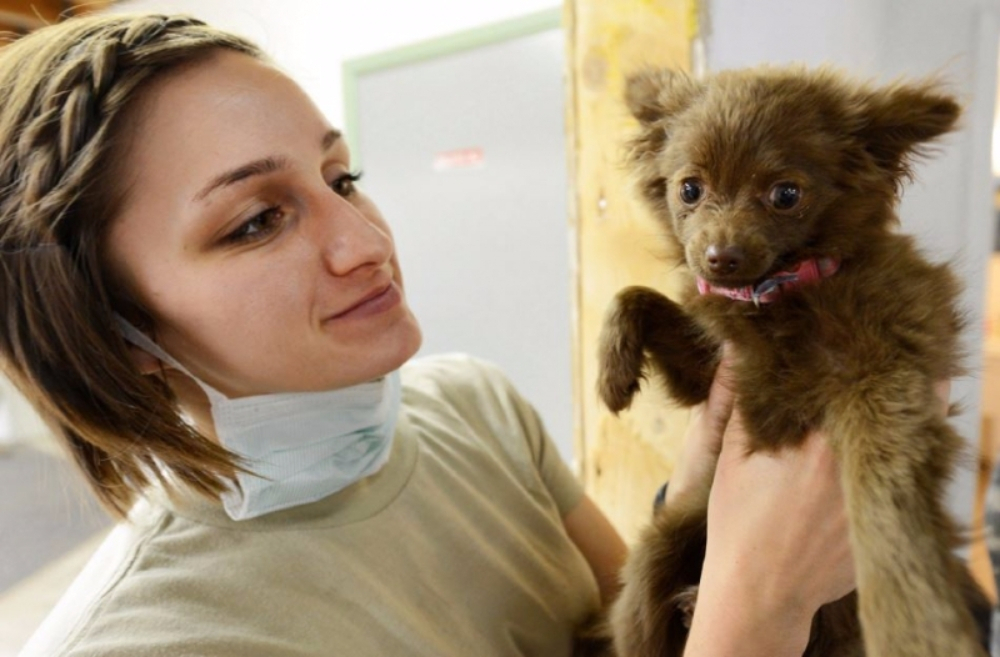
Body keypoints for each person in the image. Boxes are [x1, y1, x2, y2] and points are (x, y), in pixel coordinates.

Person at [3, 13, 855, 657]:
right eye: (258, 221)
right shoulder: (150, 639)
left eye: (344, 177)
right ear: (114, 340)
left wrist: (698, 509)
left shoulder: (474, 406)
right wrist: (759, 608)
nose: (367, 242)